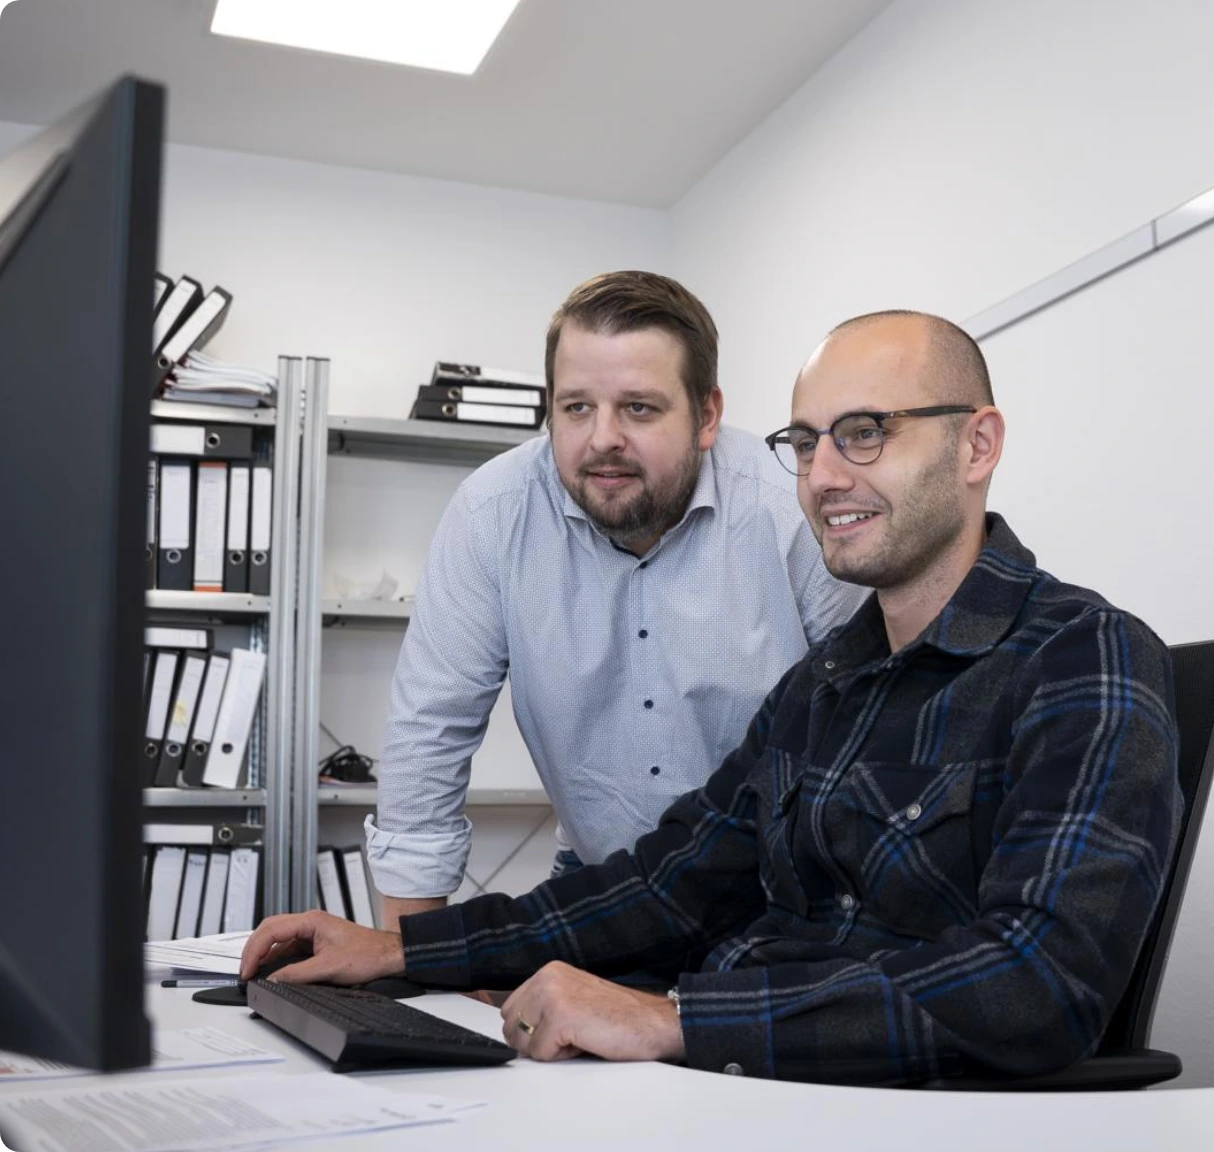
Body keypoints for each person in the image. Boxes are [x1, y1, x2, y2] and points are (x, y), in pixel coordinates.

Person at [246, 310, 1181, 1084]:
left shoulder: (1084, 658)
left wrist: (673, 1020)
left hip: (896, 1112)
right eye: (806, 442)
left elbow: (1037, 983)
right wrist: (400, 952)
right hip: (745, 1085)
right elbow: (666, 885)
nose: (824, 476)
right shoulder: (824, 684)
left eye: (866, 432)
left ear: (978, 444)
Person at [369, 270, 865, 921]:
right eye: (576, 407)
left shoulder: (791, 509)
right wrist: (406, 957)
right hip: (599, 875)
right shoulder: (493, 513)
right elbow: (429, 731)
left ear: (707, 415)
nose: (603, 437)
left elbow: (868, 727)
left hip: (779, 887)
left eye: (638, 408)